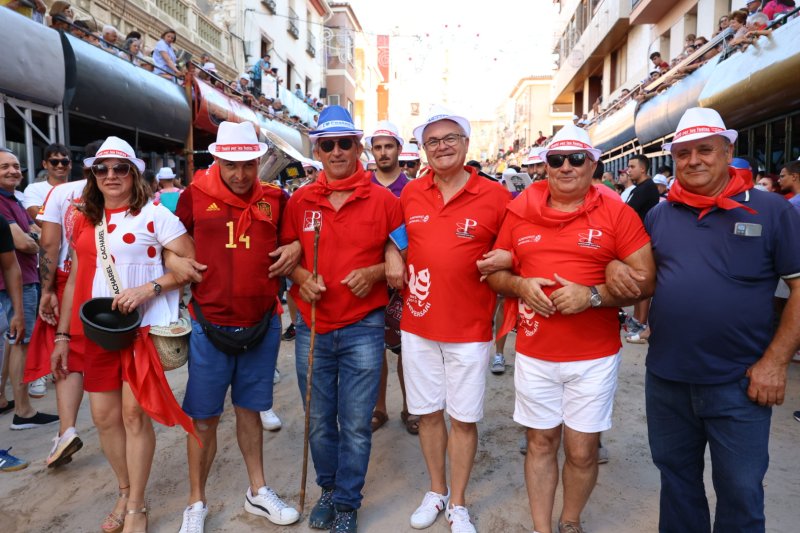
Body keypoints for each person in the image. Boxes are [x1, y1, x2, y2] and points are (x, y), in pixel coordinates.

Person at [608, 107, 800, 532]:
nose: (693, 160)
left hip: (741, 382)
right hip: (668, 380)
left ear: (728, 150)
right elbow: (643, 280)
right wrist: (615, 272)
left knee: (741, 491)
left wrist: (774, 364)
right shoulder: (660, 214)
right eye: (682, 153)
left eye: (705, 150)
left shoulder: (771, 210)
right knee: (677, 484)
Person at [487, 125, 654, 533]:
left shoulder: (617, 212)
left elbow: (646, 281)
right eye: (557, 159)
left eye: (576, 159)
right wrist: (520, 285)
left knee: (582, 451)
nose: (566, 167)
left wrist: (593, 295)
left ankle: (571, 520)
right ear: (545, 166)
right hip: (535, 352)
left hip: (594, 356)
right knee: (541, 442)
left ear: (592, 165)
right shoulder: (520, 209)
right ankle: (543, 528)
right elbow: (496, 273)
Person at [51, 136, 198, 533]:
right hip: (98, 329)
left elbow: (191, 265)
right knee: (103, 417)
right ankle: (124, 487)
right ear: (93, 175)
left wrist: (149, 287)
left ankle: (135, 505)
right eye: (102, 169)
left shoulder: (156, 216)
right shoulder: (84, 219)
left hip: (142, 329)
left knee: (134, 414)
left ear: (135, 174)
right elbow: (76, 277)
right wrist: (62, 335)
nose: (111, 175)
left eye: (120, 169)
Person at [282, 106, 403, 533]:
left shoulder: (385, 201)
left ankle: (349, 501)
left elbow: (403, 252)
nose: (336, 152)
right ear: (318, 149)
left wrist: (375, 271)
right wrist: (300, 276)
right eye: (327, 144)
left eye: (344, 143)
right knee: (318, 420)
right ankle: (328, 491)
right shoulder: (300, 200)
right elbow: (284, 255)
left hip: (362, 328)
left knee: (355, 423)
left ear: (358, 147)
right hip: (313, 327)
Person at [175, 121, 300, 532]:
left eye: (248, 164)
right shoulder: (192, 197)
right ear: (217, 160)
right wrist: (173, 262)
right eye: (232, 164)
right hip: (208, 326)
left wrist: (296, 246)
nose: (241, 174)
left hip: (261, 325)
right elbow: (170, 246)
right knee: (204, 419)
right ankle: (196, 502)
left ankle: (257, 491)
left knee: (250, 412)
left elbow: (292, 242)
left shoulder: (277, 198)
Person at [400, 105, 510, 533]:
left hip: (470, 329)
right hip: (419, 324)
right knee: (427, 414)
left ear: (466, 144)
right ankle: (436, 489)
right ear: (424, 150)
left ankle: (459, 503)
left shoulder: (497, 196)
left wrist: (510, 255)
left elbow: (515, 246)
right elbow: (395, 236)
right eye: (432, 141)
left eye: (450, 139)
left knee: (464, 418)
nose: (441, 147)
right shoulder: (410, 192)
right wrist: (394, 253)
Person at [25, 139, 102, 468]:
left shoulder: (60, 193)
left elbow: (50, 246)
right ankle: (121, 424)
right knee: (108, 354)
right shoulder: (128, 188)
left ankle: (67, 430)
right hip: (113, 284)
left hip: (69, 280)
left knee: (67, 353)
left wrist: (47, 290)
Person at [0, 148, 57, 430]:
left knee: (14, 344)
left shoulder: (15, 201)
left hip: (25, 279)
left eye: (16, 165)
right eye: (4, 167)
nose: (12, 171)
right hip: (15, 284)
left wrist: (33, 237)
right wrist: (34, 241)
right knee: (19, 343)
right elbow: (26, 242)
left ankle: (11, 402)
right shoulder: (1, 203)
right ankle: (23, 412)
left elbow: (36, 231)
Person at [363, 121, 414, 434]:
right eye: (378, 147)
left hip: (406, 281)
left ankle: (412, 408)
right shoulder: (362, 186)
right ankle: (379, 408)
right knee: (375, 348)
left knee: (408, 350)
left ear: (399, 149)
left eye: (388, 146)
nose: (383, 152)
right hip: (371, 280)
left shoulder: (413, 189)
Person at [624, 154, 660, 344]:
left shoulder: (647, 188)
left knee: (642, 282)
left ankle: (641, 322)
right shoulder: (639, 188)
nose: (628, 170)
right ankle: (637, 320)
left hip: (645, 243)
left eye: (631, 166)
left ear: (643, 169)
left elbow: (627, 212)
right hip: (637, 242)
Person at [23, 143, 71, 220]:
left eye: (64, 162)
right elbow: (40, 218)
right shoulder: (34, 189)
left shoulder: (80, 189)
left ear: (70, 164)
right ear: (45, 164)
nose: (60, 165)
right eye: (54, 162)